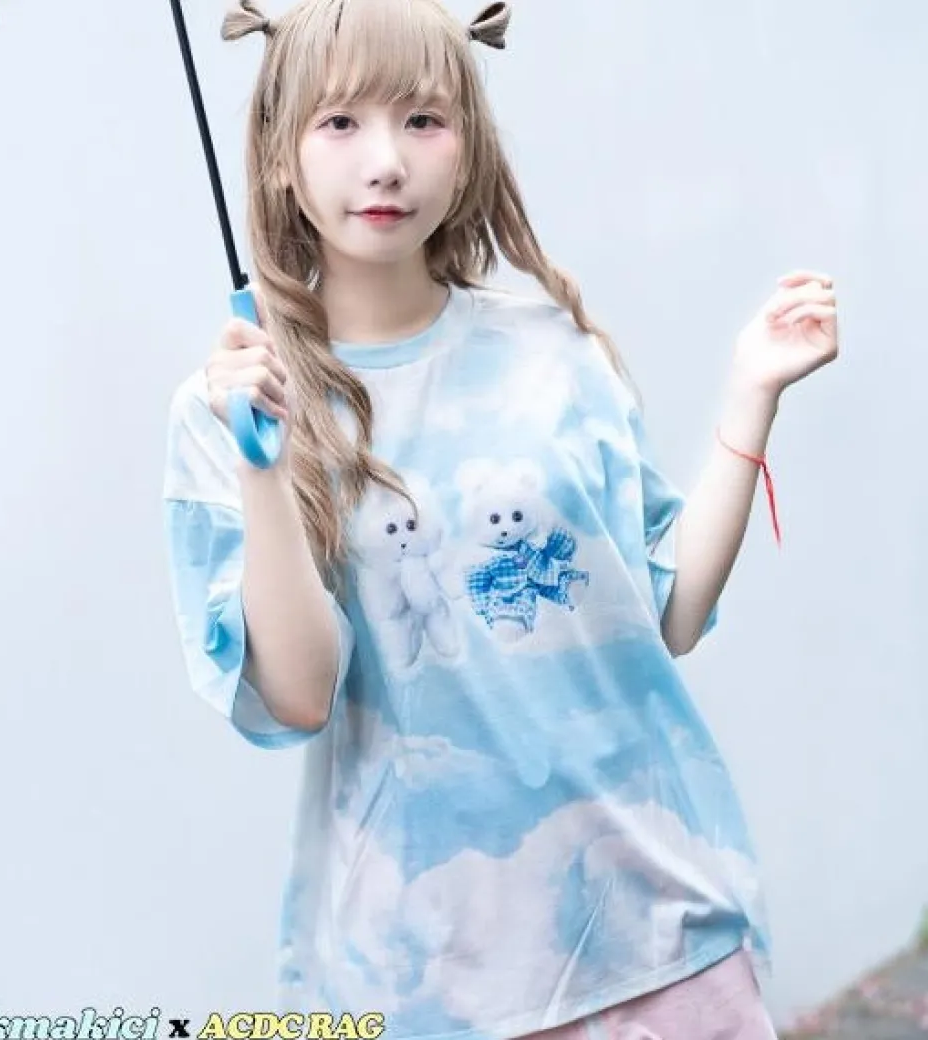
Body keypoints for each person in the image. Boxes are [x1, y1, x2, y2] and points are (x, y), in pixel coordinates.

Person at [161, 0, 840, 1037]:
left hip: (662, 937)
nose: (385, 162)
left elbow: (663, 615)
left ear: (468, 142)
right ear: (280, 154)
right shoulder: (229, 409)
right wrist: (266, 470)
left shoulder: (553, 352)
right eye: (339, 122)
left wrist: (751, 395)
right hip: (425, 980)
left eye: (422, 119)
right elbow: (297, 696)